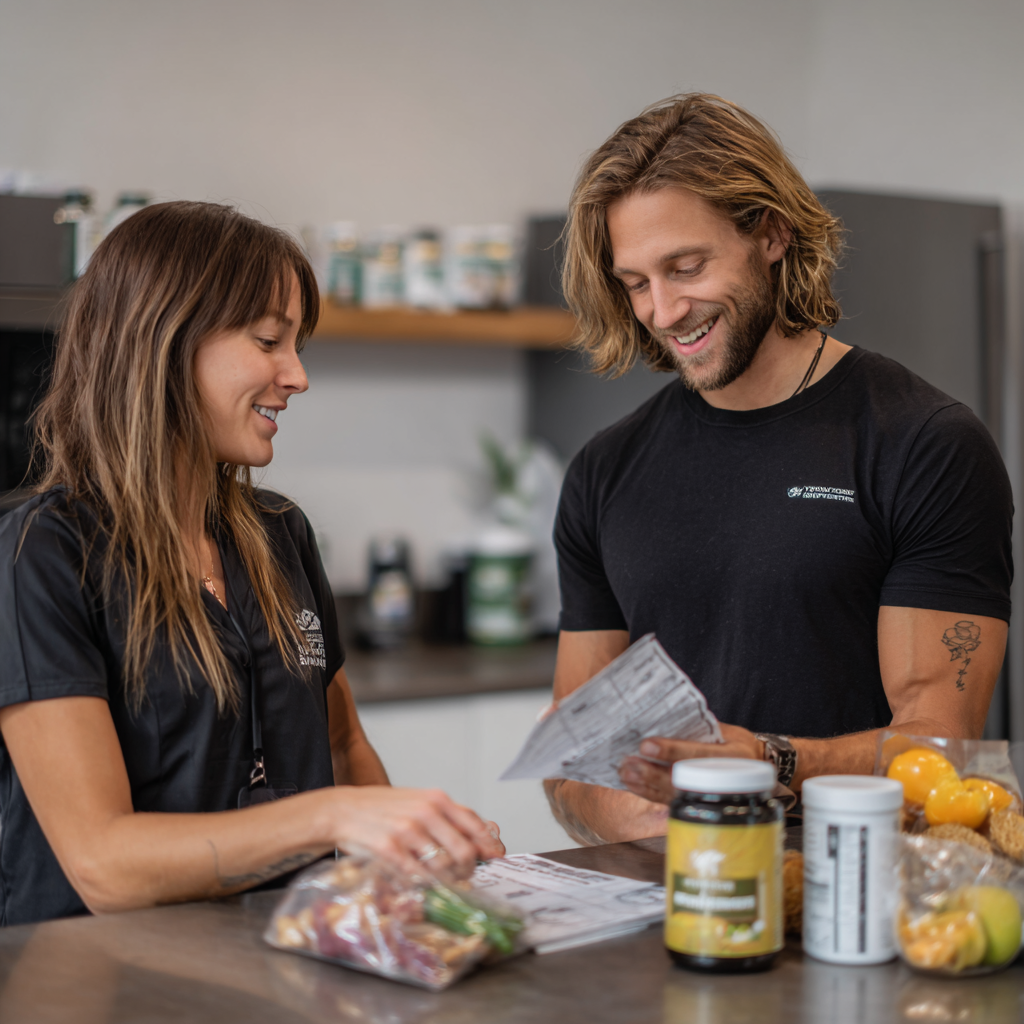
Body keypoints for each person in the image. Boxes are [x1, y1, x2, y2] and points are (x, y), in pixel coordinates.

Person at [0, 201, 503, 926]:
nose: (296, 376)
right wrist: (332, 818)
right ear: (163, 341)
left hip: (279, 959)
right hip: (105, 985)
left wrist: (411, 856)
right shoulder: (42, 556)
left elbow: (341, 741)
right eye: (269, 340)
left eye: (297, 345)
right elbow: (102, 864)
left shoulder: (278, 536)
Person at [544, 94, 1013, 846]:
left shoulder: (924, 444)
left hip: (859, 898)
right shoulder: (605, 470)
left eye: (686, 266)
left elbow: (939, 746)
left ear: (771, 233)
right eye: (635, 282)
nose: (663, 311)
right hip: (674, 906)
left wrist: (768, 763)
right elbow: (570, 761)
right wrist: (647, 817)